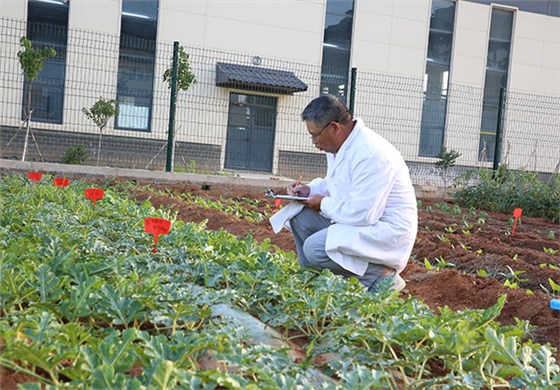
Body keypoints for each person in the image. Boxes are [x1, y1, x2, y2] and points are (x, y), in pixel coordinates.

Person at [270, 94, 418, 293]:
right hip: (359, 220)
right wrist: (309, 191)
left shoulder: (372, 154)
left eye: (314, 135)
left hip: (383, 229)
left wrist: (322, 203)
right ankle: (315, 284)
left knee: (315, 248)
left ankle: (382, 276)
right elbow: (336, 185)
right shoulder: (341, 147)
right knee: (299, 216)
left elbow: (363, 214)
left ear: (334, 128)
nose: (313, 141)